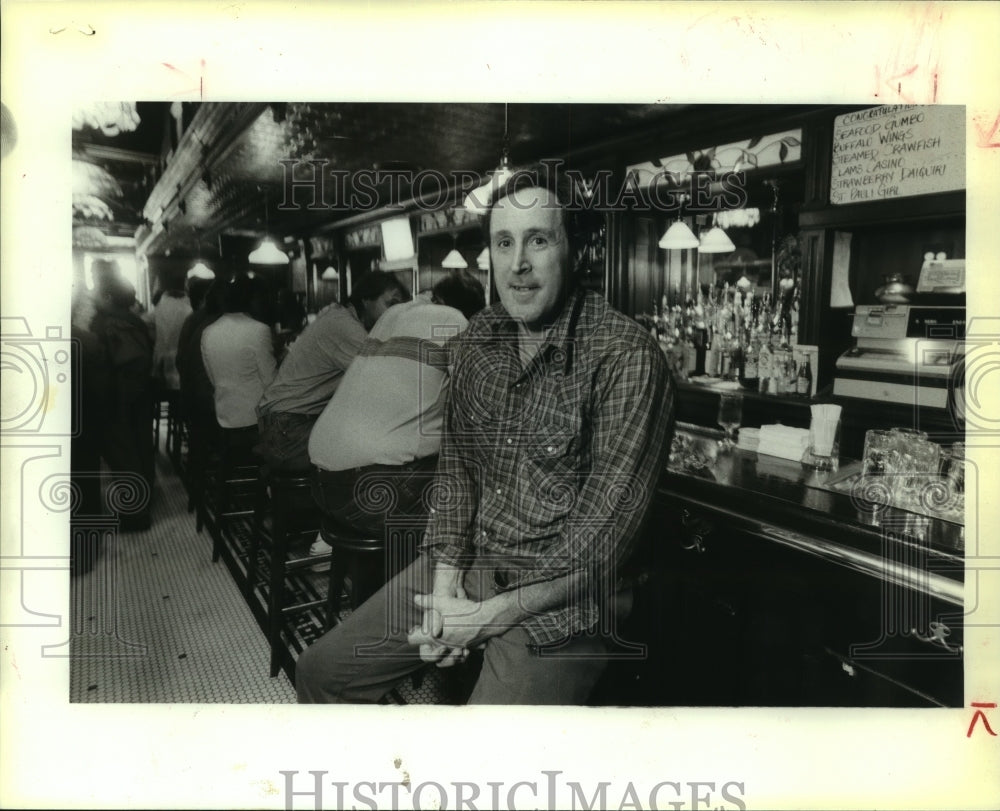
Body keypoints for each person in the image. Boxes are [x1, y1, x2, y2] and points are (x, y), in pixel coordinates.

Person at [296, 170, 674, 704]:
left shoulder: (626, 357)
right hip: (474, 562)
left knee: (481, 749)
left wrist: (481, 620)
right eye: (503, 242)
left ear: (576, 251)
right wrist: (447, 588)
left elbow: (597, 549)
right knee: (321, 672)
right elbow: (456, 473)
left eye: (538, 240)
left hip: (564, 600)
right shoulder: (479, 336)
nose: (518, 263)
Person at [306, 271, 486, 583]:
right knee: (470, 488)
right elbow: (476, 408)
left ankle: (373, 576)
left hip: (322, 485)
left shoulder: (391, 314)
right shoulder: (455, 321)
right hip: (370, 492)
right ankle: (426, 592)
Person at [254, 270, 409, 474]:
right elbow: (384, 380)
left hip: (285, 425)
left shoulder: (340, 316)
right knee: (375, 451)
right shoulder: (345, 327)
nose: (395, 313)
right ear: (366, 300)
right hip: (288, 432)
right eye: (391, 304)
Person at [90, 264, 155, 531]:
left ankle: (135, 514)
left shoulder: (103, 323)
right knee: (142, 446)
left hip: (116, 393)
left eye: (96, 292)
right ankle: (144, 500)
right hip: (142, 389)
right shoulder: (136, 321)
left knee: (122, 452)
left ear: (107, 297)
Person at [200, 272, 277, 452]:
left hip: (223, 416)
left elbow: (212, 378)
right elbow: (270, 381)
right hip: (255, 420)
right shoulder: (259, 330)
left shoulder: (208, 332)